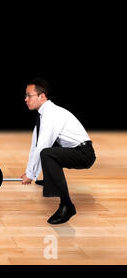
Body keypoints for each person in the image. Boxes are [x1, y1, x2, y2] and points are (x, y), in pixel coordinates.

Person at [21, 78, 96, 224]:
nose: (25, 99)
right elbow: (35, 145)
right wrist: (30, 172)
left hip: (84, 153)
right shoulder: (43, 114)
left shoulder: (51, 114)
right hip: (72, 150)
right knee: (46, 151)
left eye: (29, 95)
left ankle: (67, 206)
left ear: (41, 96)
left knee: (47, 153)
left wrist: (31, 175)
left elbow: (42, 147)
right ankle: (51, 179)